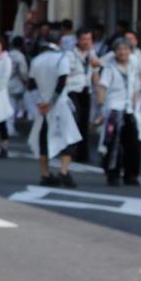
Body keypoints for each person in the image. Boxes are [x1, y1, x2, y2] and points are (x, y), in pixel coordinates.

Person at [27, 30, 82, 187]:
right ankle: (63, 172)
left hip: (42, 108)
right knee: (69, 138)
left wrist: (40, 102)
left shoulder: (36, 60)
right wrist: (51, 102)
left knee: (43, 139)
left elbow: (31, 85)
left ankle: (45, 174)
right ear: (59, 42)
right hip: (60, 105)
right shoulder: (62, 59)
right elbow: (62, 81)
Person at [96, 38, 141, 187]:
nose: (123, 52)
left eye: (126, 49)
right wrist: (101, 110)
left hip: (128, 109)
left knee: (133, 144)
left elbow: (135, 88)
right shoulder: (110, 68)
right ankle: (113, 174)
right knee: (113, 144)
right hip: (114, 110)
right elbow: (102, 88)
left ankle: (131, 175)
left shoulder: (133, 67)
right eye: (119, 49)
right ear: (114, 52)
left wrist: (136, 105)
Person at [65, 27, 101, 162]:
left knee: (84, 122)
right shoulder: (70, 54)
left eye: (89, 39)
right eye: (84, 39)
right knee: (75, 120)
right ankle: (71, 151)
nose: (87, 42)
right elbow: (66, 74)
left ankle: (82, 153)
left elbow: (95, 73)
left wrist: (98, 91)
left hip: (86, 90)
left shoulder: (92, 54)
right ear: (78, 40)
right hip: (72, 90)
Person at [8, 35, 31, 123]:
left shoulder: (8, 54)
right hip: (17, 83)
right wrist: (26, 81)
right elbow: (23, 72)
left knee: (10, 105)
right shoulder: (20, 56)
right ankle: (11, 126)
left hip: (7, 82)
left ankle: (10, 125)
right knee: (15, 105)